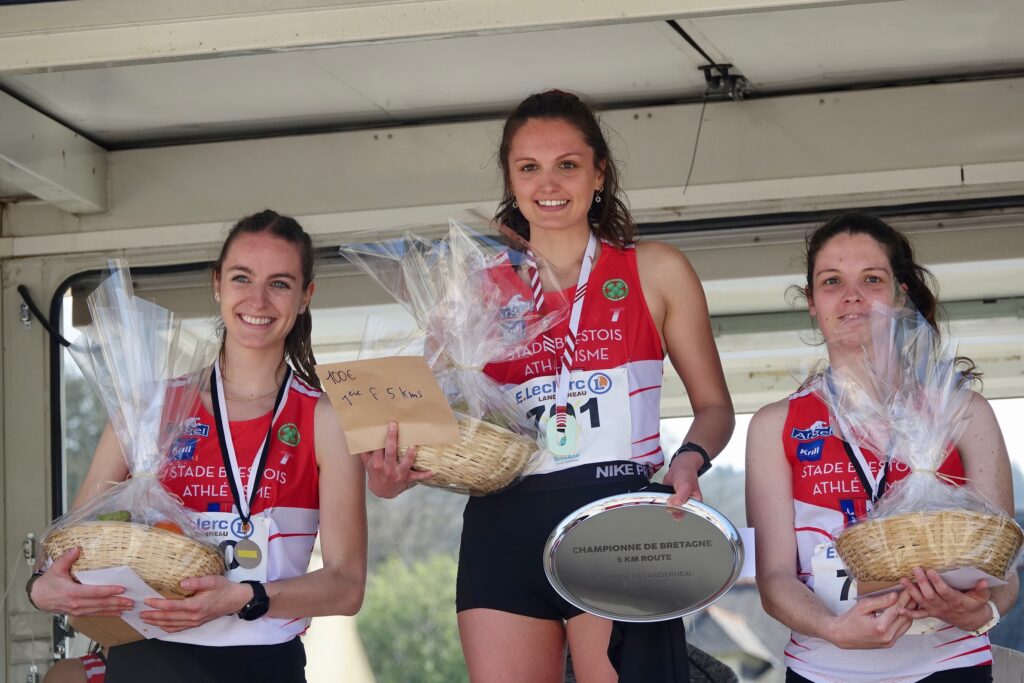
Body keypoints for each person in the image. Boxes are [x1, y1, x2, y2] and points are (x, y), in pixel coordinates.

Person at [367, 89, 735, 682]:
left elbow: (715, 406)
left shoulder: (655, 269)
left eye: (567, 164)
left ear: (599, 173)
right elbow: (431, 429)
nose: (550, 183)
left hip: (619, 518)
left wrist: (690, 460)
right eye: (529, 168)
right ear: (511, 181)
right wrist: (387, 477)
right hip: (503, 521)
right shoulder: (472, 289)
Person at [28, 210, 371, 682]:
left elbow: (346, 586)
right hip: (146, 657)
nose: (257, 299)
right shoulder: (148, 405)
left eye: (280, 283)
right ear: (217, 284)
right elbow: (77, 544)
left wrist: (247, 596)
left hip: (261, 663)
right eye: (242, 278)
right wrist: (41, 588)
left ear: (306, 295)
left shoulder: (324, 418)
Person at [745, 212, 1019, 683]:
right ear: (812, 302)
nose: (851, 296)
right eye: (832, 281)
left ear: (900, 292)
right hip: (821, 668)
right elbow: (773, 580)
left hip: (949, 661)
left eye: (871, 279)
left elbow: (1002, 565)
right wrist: (833, 628)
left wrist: (984, 614)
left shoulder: (965, 412)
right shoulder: (776, 424)